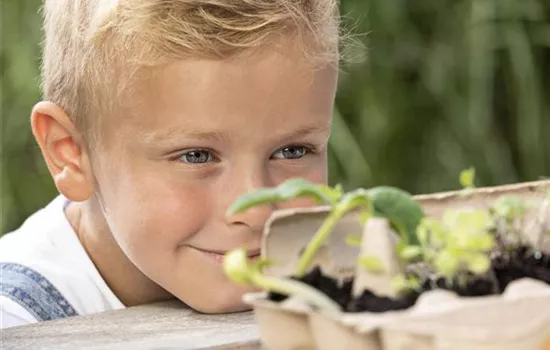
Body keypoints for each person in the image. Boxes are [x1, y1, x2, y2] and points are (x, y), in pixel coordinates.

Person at [0, 0, 342, 328]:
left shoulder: (351, 274)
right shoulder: (15, 322)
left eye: (292, 151)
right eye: (197, 156)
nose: (256, 212)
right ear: (70, 153)